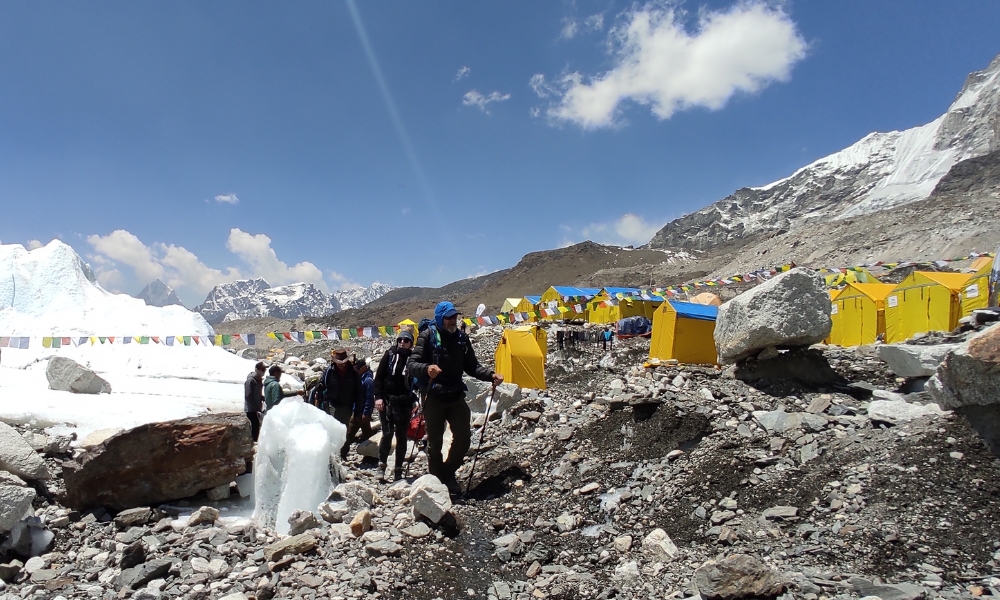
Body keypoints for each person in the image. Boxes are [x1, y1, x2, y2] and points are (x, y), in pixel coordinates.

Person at [407, 301, 503, 495]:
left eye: (455, 317)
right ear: (440, 319)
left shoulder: (461, 339)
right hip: (433, 395)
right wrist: (427, 369)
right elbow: (412, 364)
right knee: (434, 442)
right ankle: (437, 480)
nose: (453, 321)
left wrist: (490, 375)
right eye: (449, 317)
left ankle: (447, 472)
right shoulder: (427, 336)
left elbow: (472, 366)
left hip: (456, 394)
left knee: (463, 438)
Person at [374, 330, 416, 482]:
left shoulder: (414, 359)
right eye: (400, 340)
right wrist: (378, 397)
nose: (402, 342)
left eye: (406, 340)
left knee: (402, 436)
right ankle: (382, 465)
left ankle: (398, 469)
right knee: (387, 433)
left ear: (411, 343)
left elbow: (418, 381)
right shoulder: (390, 355)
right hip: (387, 401)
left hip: (405, 403)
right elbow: (378, 377)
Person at [323, 348, 365, 461]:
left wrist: (358, 411)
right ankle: (331, 454)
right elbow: (323, 384)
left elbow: (359, 393)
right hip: (332, 404)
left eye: (343, 363)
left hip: (346, 405)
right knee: (331, 429)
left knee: (343, 430)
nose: (341, 365)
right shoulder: (329, 371)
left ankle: (342, 453)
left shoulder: (353, 373)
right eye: (338, 363)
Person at [347, 358, 379, 444]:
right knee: (350, 431)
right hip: (356, 410)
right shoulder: (360, 378)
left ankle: (371, 450)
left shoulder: (368, 381)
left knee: (367, 432)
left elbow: (369, 398)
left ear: (363, 368)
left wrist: (366, 413)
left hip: (362, 412)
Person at [244, 361, 266, 442]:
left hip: (257, 409)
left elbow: (257, 394)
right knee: (254, 427)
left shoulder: (259, 380)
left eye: (264, 370)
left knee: (256, 427)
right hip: (251, 409)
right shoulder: (251, 380)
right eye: (262, 369)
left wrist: (262, 398)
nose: (263, 372)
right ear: (257, 369)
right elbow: (248, 395)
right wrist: (254, 407)